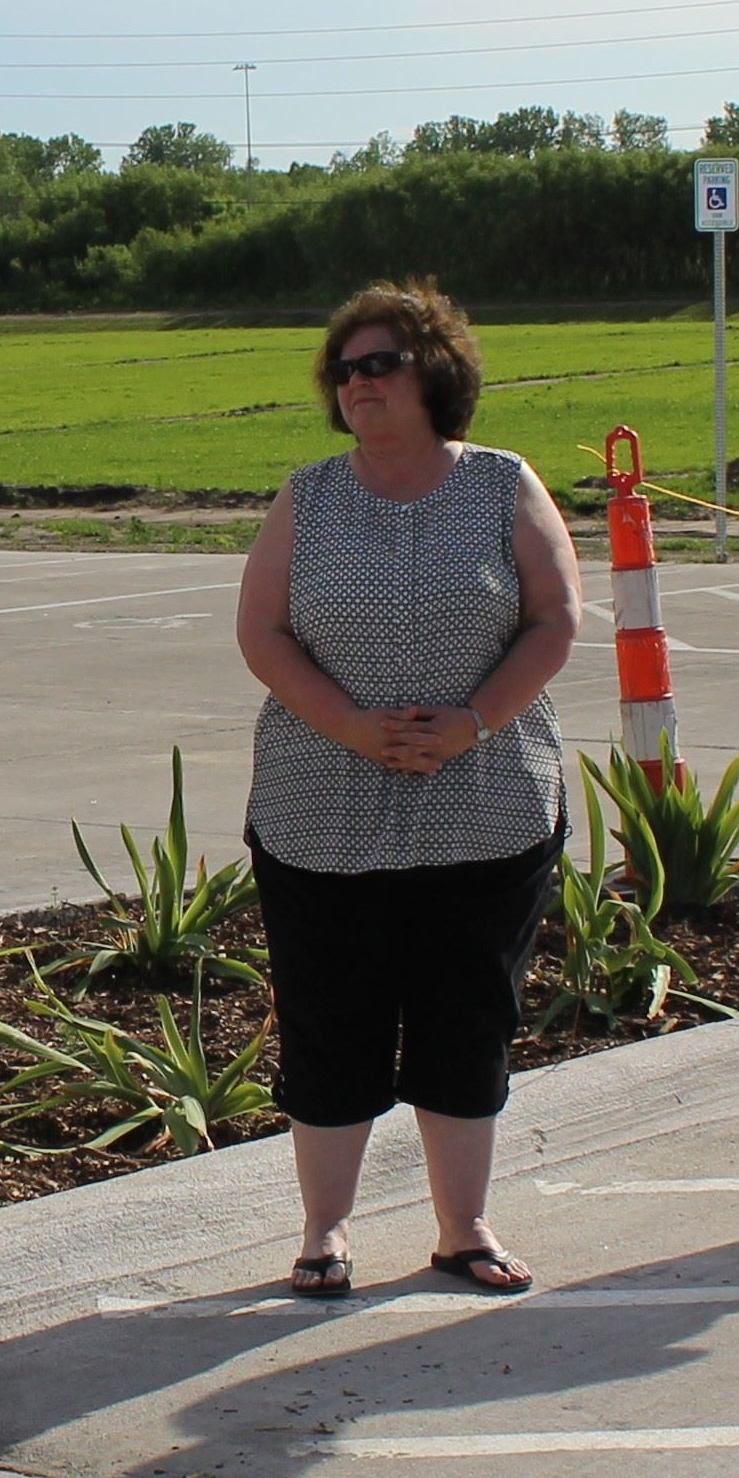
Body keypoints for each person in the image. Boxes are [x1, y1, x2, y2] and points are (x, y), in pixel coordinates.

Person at [235, 278, 581, 1300]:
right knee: (329, 1021)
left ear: (434, 372)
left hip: (483, 805)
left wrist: (472, 721)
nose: (357, 384)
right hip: (322, 814)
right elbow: (261, 632)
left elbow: (554, 619)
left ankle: (462, 1230)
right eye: (342, 371)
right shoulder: (308, 494)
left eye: (378, 364)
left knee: (465, 1019)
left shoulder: (502, 483)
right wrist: (345, 722)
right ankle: (323, 1234)